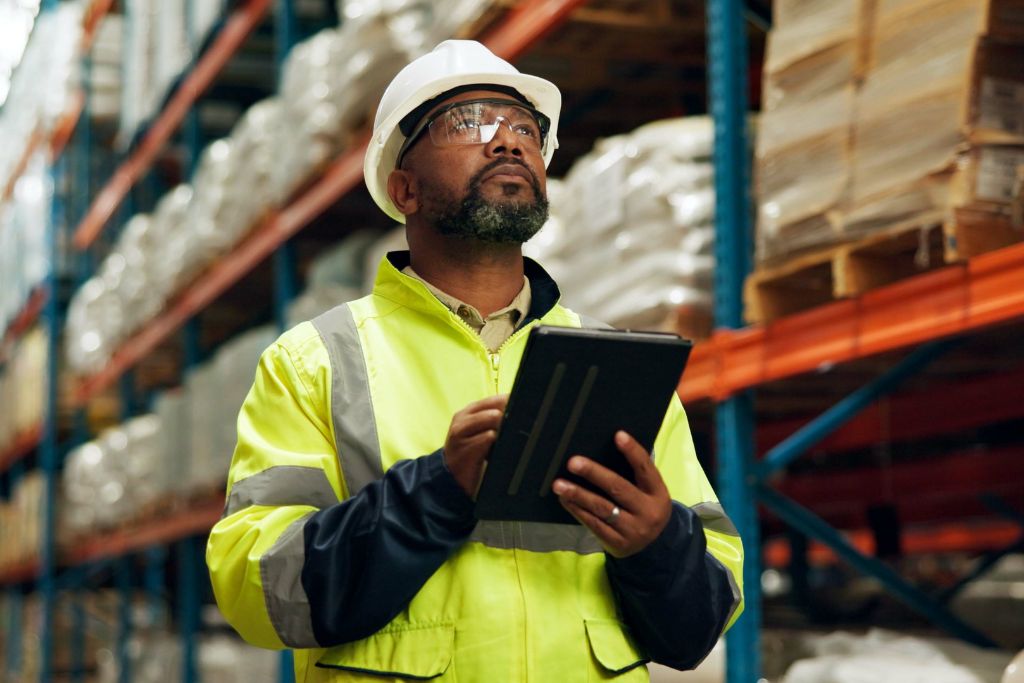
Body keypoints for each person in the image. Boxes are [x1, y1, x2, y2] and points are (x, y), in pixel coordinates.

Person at [206, 40, 744, 682]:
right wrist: (433, 493)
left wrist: (658, 546)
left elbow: (702, 623)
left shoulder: (616, 365)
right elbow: (258, 591)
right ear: (403, 188)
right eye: (471, 124)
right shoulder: (316, 362)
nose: (508, 142)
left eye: (525, 128)